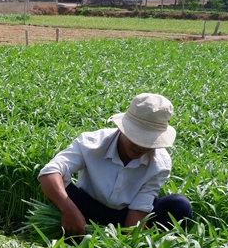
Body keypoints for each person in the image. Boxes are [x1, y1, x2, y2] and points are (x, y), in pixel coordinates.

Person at [38, 93, 192, 236]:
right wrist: (69, 210)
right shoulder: (91, 143)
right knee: (57, 182)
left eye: (150, 141)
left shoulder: (160, 163)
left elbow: (139, 209)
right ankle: (73, 224)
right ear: (123, 128)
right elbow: (49, 173)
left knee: (178, 205)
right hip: (84, 207)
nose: (142, 147)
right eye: (137, 138)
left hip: (125, 215)